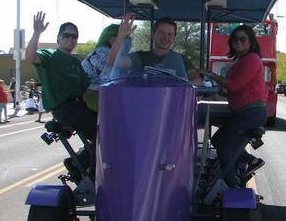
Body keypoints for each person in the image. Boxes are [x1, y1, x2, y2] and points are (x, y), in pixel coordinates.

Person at [199, 24, 266, 186]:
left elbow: (234, 85)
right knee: (217, 139)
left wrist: (210, 74)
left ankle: (231, 182)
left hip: (250, 113)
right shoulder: (242, 61)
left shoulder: (252, 59)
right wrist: (218, 92)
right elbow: (237, 89)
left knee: (225, 148)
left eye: (243, 39)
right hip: (243, 112)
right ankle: (252, 160)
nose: (238, 42)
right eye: (235, 39)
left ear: (251, 42)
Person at [25, 11, 97, 142]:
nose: (70, 39)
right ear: (58, 38)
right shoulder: (50, 55)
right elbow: (30, 57)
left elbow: (86, 88)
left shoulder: (75, 62)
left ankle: (79, 161)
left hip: (79, 105)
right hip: (63, 108)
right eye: (66, 35)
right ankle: (97, 162)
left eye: (74, 36)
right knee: (100, 136)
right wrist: (37, 33)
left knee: (105, 125)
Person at [108, 16, 201, 84]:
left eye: (170, 34)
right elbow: (113, 62)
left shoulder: (181, 59)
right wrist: (121, 35)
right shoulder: (140, 57)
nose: (165, 38)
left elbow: (198, 80)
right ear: (153, 34)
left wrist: (180, 87)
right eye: (161, 33)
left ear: (174, 37)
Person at [81, 23, 119, 111]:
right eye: (117, 36)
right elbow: (108, 79)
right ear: (109, 38)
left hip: (94, 91)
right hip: (90, 94)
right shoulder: (103, 52)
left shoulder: (104, 51)